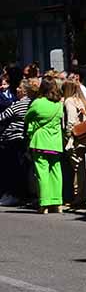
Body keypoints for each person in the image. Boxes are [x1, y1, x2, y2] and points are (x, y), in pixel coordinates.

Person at [26, 77, 65, 213]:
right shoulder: (59, 105)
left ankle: (44, 203)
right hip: (55, 142)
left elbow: (27, 117)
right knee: (56, 171)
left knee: (42, 173)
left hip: (41, 141)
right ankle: (57, 202)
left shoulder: (38, 103)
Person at [0, 77, 33, 206]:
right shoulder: (31, 103)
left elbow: (3, 116)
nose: (17, 89)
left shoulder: (19, 104)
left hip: (13, 139)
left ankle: (14, 195)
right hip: (21, 139)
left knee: (12, 169)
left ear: (24, 91)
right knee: (21, 168)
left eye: (19, 88)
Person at [61, 79, 86, 209]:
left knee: (78, 168)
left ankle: (81, 196)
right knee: (84, 167)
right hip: (85, 137)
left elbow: (71, 121)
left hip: (76, 139)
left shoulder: (69, 101)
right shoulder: (82, 101)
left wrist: (68, 136)